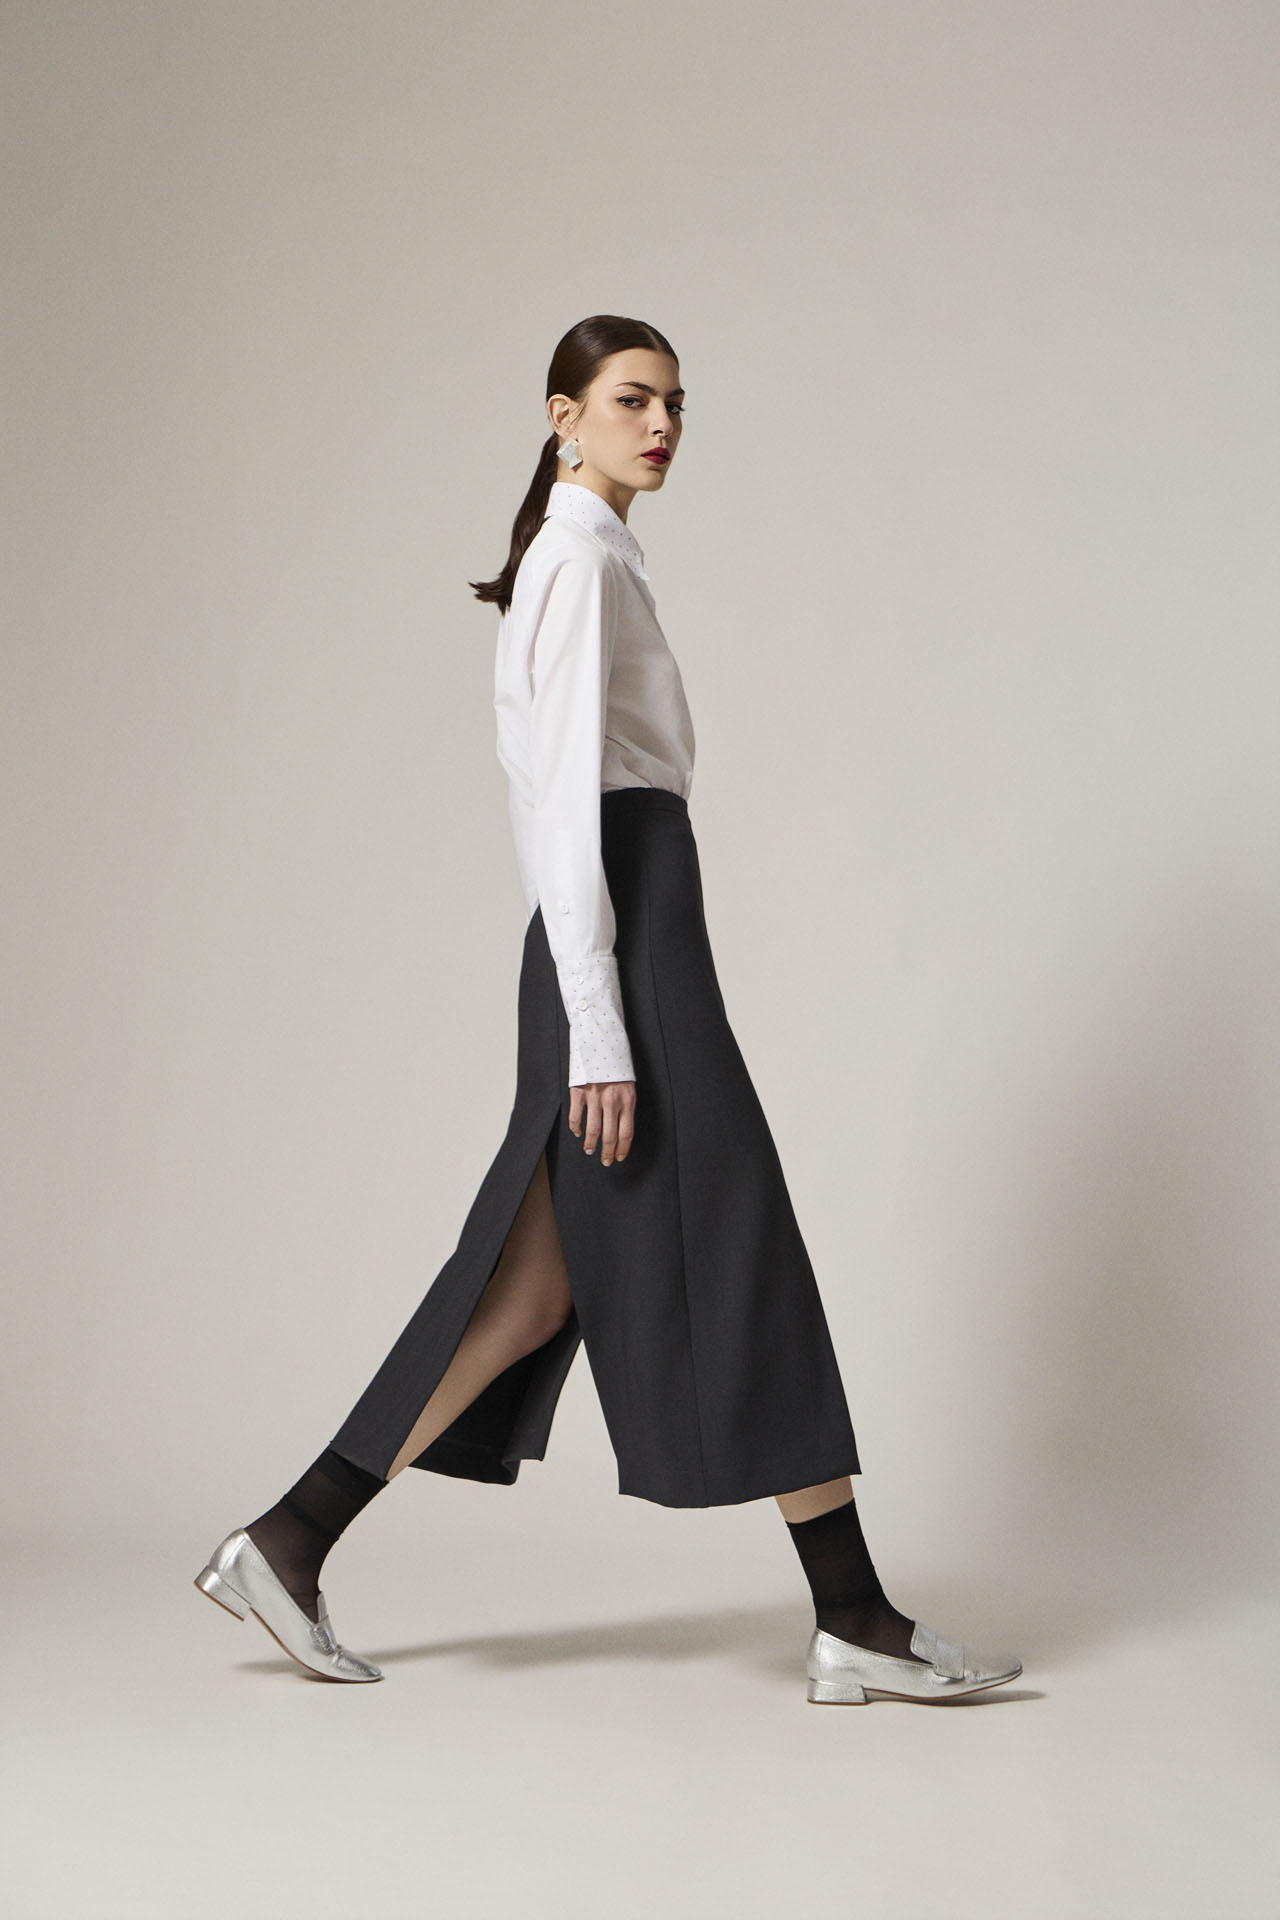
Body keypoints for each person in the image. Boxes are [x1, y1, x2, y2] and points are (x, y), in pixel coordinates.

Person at [194, 314, 1022, 1707]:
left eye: (677, 404)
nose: (663, 425)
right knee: (740, 1241)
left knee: (529, 1295)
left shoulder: (596, 558)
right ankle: (853, 1618)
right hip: (624, 951)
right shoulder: (573, 562)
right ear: (561, 414)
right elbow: (560, 812)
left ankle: (289, 1540)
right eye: (633, 399)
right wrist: (599, 1025)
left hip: (635, 939)